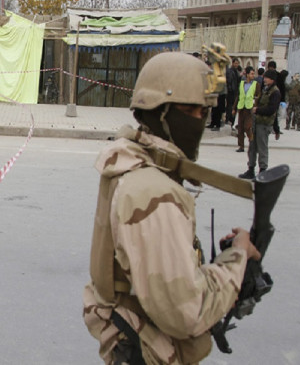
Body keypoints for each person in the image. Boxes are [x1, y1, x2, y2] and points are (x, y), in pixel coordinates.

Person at [83, 52, 261, 364]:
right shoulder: (154, 192)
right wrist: (237, 260)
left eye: (204, 112)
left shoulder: (132, 165)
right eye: (192, 111)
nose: (200, 121)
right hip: (146, 348)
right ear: (160, 113)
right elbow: (184, 312)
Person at [238, 69, 281, 179]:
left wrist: (258, 110)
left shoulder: (275, 92)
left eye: (266, 77)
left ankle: (263, 171)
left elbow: (272, 110)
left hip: (264, 124)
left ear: (271, 79)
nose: (264, 79)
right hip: (256, 122)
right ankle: (250, 169)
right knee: (252, 147)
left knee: (262, 148)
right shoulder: (265, 89)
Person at [232, 66, 261, 152]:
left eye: (253, 74)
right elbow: (238, 96)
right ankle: (241, 146)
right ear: (247, 74)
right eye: (251, 74)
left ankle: (252, 144)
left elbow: (258, 96)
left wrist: (256, 106)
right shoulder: (242, 84)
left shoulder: (256, 84)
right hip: (242, 108)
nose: (253, 75)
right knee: (240, 128)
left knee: (248, 127)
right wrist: (234, 108)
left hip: (250, 109)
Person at [225, 58, 240, 127]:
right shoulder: (230, 71)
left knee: (233, 107)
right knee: (230, 106)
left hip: (235, 92)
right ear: (233, 63)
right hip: (231, 92)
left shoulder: (236, 71)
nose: (236, 64)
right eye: (235, 63)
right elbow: (229, 82)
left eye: (237, 63)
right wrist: (230, 90)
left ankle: (231, 120)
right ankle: (228, 119)